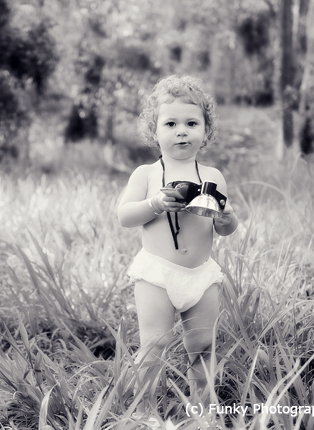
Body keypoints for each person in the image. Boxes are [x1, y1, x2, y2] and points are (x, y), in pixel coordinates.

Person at [117, 75, 238, 426]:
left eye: (191, 123)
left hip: (202, 277)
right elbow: (125, 216)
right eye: (170, 123)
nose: (181, 131)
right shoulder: (147, 174)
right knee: (154, 345)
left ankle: (203, 411)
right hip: (157, 274)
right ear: (154, 131)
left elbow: (227, 229)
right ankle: (143, 413)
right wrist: (155, 203)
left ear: (206, 130)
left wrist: (226, 216)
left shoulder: (213, 175)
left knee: (202, 346)